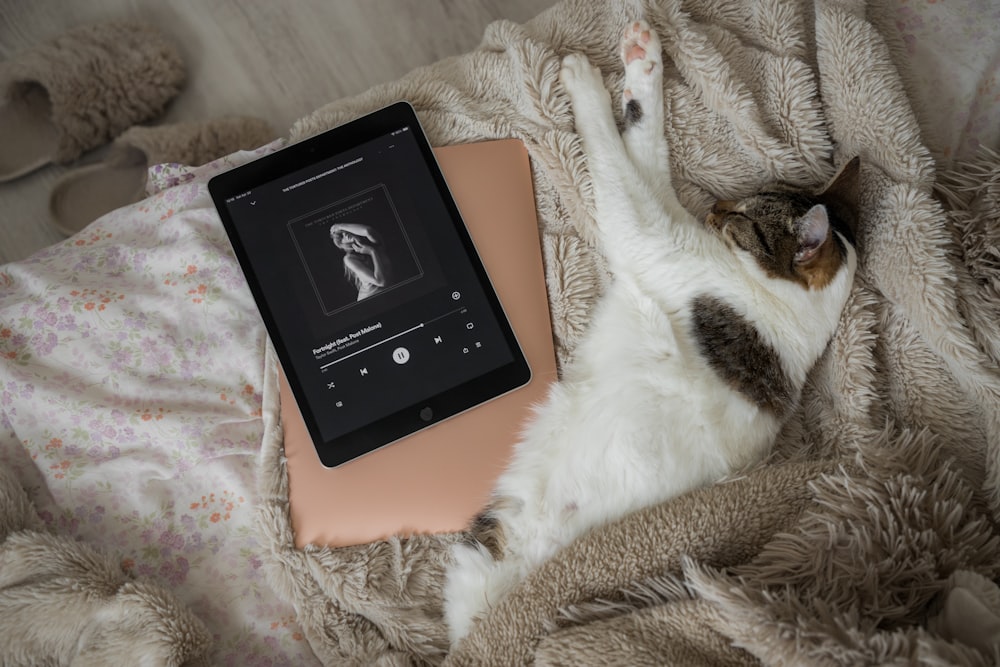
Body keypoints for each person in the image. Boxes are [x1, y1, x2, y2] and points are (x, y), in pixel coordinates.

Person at [329, 222, 392, 300]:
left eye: (345, 231)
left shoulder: (375, 243)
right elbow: (381, 281)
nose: (345, 235)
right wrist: (372, 252)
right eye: (341, 236)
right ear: (342, 244)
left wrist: (340, 226)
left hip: (389, 296)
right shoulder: (350, 259)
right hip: (370, 301)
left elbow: (368, 231)